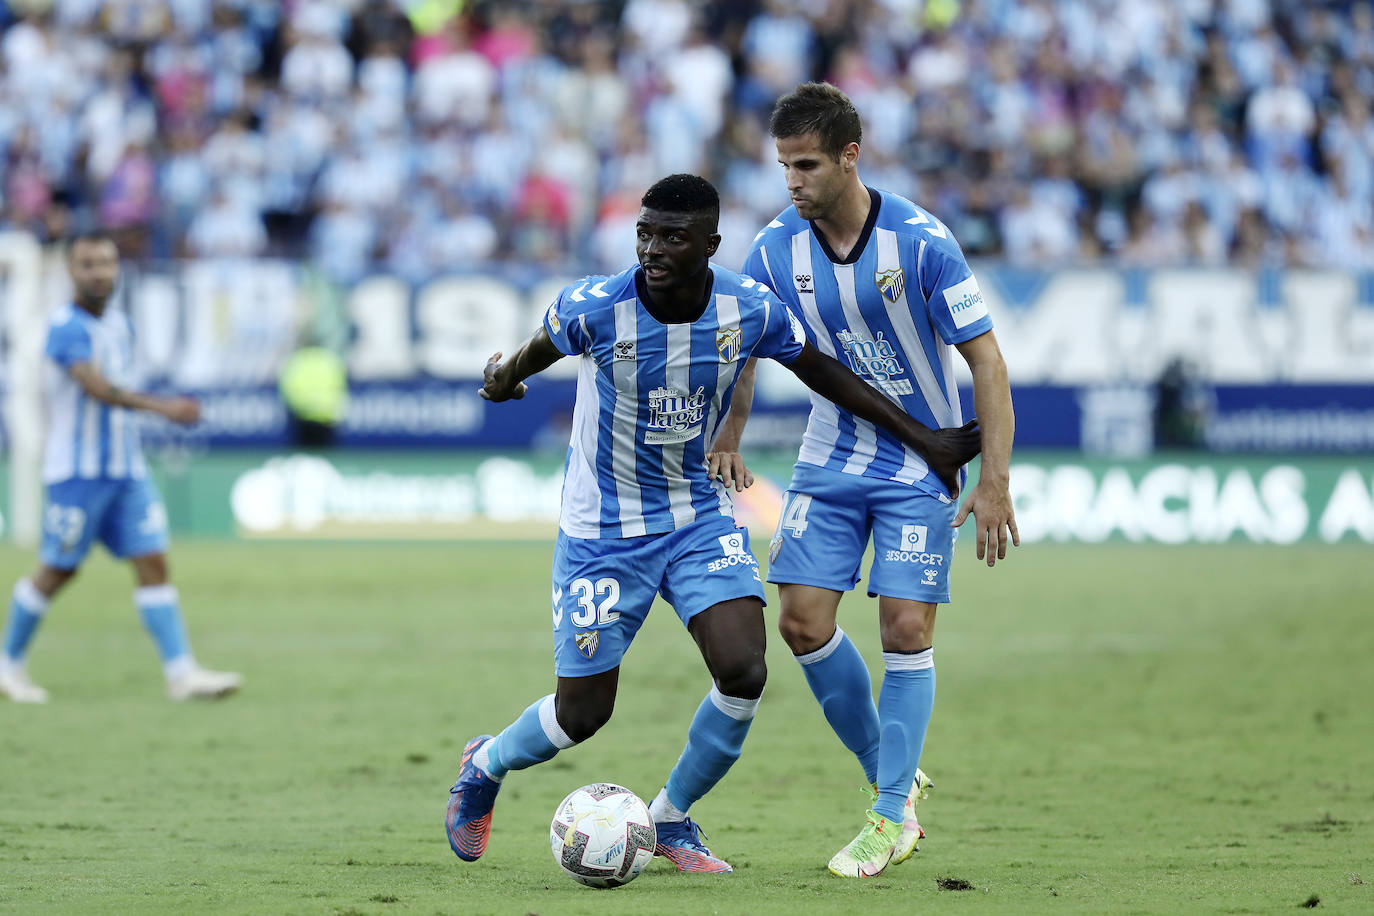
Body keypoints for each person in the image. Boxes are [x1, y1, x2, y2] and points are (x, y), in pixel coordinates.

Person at [446, 174, 980, 874]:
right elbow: (529, 355)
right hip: (602, 532)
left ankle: (669, 819)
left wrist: (924, 437)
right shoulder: (596, 307)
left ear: (709, 244)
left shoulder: (747, 307)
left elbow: (827, 375)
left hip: (696, 517)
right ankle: (485, 765)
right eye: (645, 234)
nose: (653, 249)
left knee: (744, 668)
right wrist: (501, 378)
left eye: (671, 237)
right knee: (583, 714)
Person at [718, 82, 1019, 878]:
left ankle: (889, 815)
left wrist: (994, 483)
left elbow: (985, 359)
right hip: (829, 459)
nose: (792, 182)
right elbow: (746, 345)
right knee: (802, 625)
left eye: (807, 164)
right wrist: (731, 430)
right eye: (784, 166)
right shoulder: (776, 248)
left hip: (922, 463)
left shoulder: (921, 242)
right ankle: (894, 769)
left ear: (850, 157)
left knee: (906, 632)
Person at [0, 231, 242, 704]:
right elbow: (95, 387)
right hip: (79, 473)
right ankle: (8, 664)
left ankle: (181, 673)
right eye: (88, 264)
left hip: (126, 470)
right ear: (71, 271)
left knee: (153, 561)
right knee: (57, 570)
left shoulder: (120, 325)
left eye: (107, 263)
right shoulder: (66, 327)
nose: (99, 273)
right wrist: (164, 408)